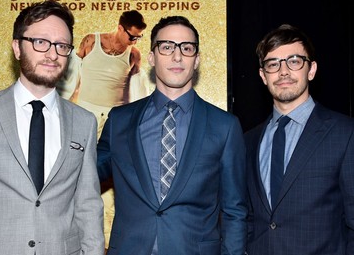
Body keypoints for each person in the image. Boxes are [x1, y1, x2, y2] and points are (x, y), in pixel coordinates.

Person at [97, 15, 248, 255]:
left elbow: (235, 210)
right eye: (166, 47)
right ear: (151, 57)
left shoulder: (225, 126)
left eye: (186, 48)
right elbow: (85, 175)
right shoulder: (120, 121)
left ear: (196, 60)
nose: (177, 56)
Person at [0, 0, 104, 255]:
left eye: (61, 45)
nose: (52, 53)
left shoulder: (84, 122)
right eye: (40, 42)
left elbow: (88, 204)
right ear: (17, 48)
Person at [244, 24, 354, 254]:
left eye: (294, 61)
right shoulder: (248, 141)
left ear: (311, 70)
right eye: (273, 64)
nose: (283, 71)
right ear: (263, 76)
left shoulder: (345, 133)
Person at [56, 10, 148, 253]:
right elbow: (69, 80)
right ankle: (72, 237)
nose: (134, 41)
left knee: (115, 181)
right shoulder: (90, 42)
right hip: (86, 116)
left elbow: (137, 92)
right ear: (120, 27)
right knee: (78, 175)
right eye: (132, 36)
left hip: (115, 122)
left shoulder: (134, 55)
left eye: (138, 38)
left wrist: (134, 125)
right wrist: (61, 112)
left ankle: (108, 243)